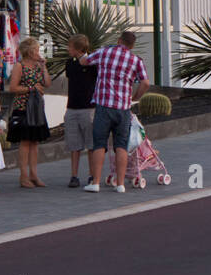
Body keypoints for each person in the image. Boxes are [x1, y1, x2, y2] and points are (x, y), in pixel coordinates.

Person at [83, 31, 149, 194]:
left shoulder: (104, 52)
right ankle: (120, 184)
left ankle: (96, 183)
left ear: (119, 40)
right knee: (121, 146)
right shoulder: (136, 61)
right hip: (123, 109)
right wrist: (135, 97)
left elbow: (85, 61)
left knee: (99, 144)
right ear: (132, 45)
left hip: (104, 107)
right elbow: (145, 82)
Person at [7, 37, 51, 188]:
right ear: (30, 51)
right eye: (36, 50)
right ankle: (23, 176)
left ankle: (34, 174)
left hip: (37, 108)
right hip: (23, 108)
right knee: (25, 142)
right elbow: (12, 88)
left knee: (34, 142)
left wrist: (44, 66)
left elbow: (47, 83)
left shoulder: (38, 66)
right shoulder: (19, 66)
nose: (38, 53)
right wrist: (31, 89)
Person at [64, 34, 98, 187]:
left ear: (77, 49)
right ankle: (74, 175)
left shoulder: (93, 63)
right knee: (74, 144)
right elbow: (71, 73)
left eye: (70, 47)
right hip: (72, 107)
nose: (67, 49)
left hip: (88, 108)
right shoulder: (70, 63)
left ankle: (92, 174)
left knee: (91, 145)